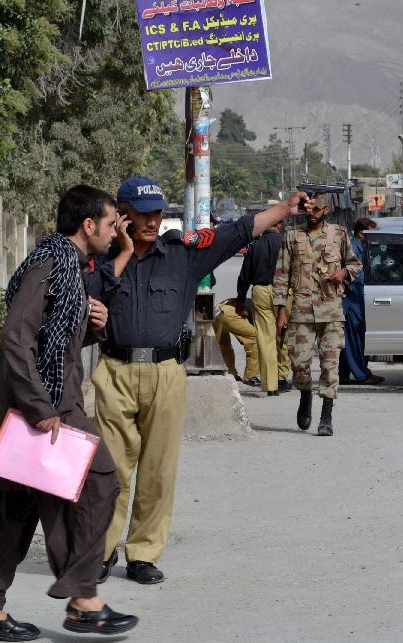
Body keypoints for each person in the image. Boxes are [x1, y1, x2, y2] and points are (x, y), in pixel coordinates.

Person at [89, 176, 304, 585]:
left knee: (158, 469)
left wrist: (283, 209)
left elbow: (236, 231)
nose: (152, 221)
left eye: (157, 213)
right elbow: (85, 294)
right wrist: (123, 253)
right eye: (142, 213)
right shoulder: (104, 257)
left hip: (167, 373)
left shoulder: (183, 254)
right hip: (114, 371)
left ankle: (143, 554)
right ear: (123, 216)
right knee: (110, 470)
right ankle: (101, 552)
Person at [0, 185, 138, 637]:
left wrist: (91, 326)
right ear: (88, 224)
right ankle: (83, 598)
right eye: (112, 223)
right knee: (100, 480)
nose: (117, 232)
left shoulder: (70, 267)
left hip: (47, 400)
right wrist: (40, 407)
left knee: (17, 511)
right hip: (46, 405)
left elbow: (52, 337)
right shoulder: (50, 264)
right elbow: (17, 337)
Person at [273, 193, 362, 436]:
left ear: (326, 211)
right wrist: (281, 311)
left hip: (331, 310)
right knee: (299, 363)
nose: (311, 214)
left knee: (329, 364)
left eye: (316, 210)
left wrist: (343, 274)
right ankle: (304, 394)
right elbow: (281, 275)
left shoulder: (339, 234)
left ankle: (326, 415)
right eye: (308, 209)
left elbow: (355, 263)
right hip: (301, 311)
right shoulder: (292, 236)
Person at [235, 223, 292, 396]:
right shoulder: (286, 243)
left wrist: (240, 299)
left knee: (265, 338)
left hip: (260, 290)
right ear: (279, 226)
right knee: (283, 334)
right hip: (284, 291)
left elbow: (244, 274)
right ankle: (282, 377)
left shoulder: (255, 245)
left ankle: (270, 385)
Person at [339, 217, 385, 385]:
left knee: (350, 340)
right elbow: (355, 276)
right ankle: (362, 374)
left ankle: (343, 374)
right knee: (354, 340)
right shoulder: (353, 247)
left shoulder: (361, 246)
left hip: (357, 299)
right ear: (361, 233)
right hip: (353, 300)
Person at [213, 298, 261, 387]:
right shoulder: (258, 308)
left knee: (224, 344)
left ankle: (230, 372)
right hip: (230, 313)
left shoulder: (249, 302)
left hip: (216, 310)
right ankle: (251, 376)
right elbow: (247, 330)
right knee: (255, 338)